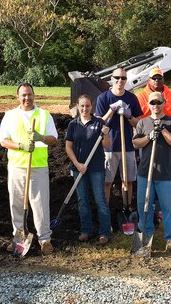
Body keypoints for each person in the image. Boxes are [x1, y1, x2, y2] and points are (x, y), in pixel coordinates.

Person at [0, 83, 59, 254]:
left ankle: (44, 239)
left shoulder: (44, 115)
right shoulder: (10, 116)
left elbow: (53, 139)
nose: (27, 98)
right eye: (23, 95)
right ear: (17, 97)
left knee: (40, 205)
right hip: (17, 166)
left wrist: (40, 137)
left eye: (29, 94)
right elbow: (3, 140)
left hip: (38, 166)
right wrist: (20, 145)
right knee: (16, 204)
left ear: (34, 95)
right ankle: (19, 236)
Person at [132, 91, 171, 251]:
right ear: (148, 104)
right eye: (152, 103)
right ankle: (147, 236)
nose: (155, 105)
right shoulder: (142, 123)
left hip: (166, 174)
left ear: (164, 103)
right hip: (145, 173)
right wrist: (149, 137)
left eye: (158, 102)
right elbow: (135, 143)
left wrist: (163, 131)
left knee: (168, 208)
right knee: (144, 206)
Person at [64, 94, 112, 245]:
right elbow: (68, 147)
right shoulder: (73, 124)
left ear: (92, 107)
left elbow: (107, 145)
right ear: (78, 107)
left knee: (100, 200)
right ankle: (86, 230)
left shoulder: (99, 123)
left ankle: (104, 232)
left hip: (96, 167)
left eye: (88, 106)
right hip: (78, 168)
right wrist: (77, 164)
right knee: (82, 200)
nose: (85, 109)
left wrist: (105, 134)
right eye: (82, 106)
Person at [95, 67, 142, 212]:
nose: (120, 81)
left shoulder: (131, 98)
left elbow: (138, 124)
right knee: (107, 182)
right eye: (117, 78)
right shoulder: (103, 98)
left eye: (123, 78)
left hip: (127, 146)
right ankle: (105, 210)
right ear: (112, 78)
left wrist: (129, 116)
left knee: (127, 181)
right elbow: (98, 123)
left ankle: (126, 208)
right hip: (108, 147)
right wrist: (111, 110)